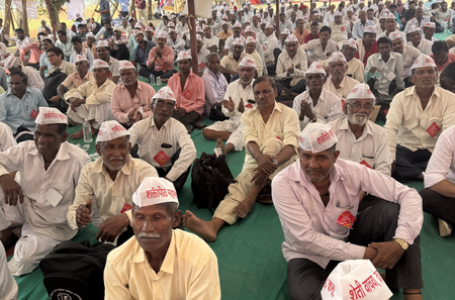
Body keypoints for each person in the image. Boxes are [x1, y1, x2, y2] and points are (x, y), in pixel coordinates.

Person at [272, 122, 424, 300]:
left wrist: (401, 242)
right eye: (306, 156)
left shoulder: (353, 171)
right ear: (298, 153)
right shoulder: (283, 183)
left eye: (321, 157)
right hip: (308, 256)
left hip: (348, 238)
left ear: (335, 156)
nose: (312, 165)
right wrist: (370, 254)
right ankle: (372, 278)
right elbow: (306, 239)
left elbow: (409, 194)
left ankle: (411, 292)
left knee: (393, 212)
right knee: (306, 297)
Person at [184, 76, 299, 242]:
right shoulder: (248, 115)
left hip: (283, 164)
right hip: (256, 162)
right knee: (238, 187)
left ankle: (251, 197)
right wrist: (261, 160)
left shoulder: (289, 114)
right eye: (257, 93)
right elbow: (250, 141)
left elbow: (291, 146)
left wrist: (270, 162)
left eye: (266, 91)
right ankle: (213, 225)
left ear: (275, 92)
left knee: (273, 143)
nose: (261, 96)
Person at [0, 107, 91, 275]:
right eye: (37, 133)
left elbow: (90, 194)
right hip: (27, 207)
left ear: (63, 137)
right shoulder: (26, 149)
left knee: (22, 263)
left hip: (53, 226)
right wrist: (4, 176)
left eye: (49, 135)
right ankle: (8, 231)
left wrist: (82, 211)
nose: (41, 140)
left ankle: (22, 235)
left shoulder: (78, 160)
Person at [104, 177, 221, 299]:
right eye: (139, 217)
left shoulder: (200, 258)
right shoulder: (116, 262)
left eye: (157, 217)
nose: (146, 228)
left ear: (175, 219)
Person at [67, 120, 158, 243]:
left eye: (122, 147)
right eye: (110, 147)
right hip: (108, 237)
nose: (117, 153)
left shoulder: (145, 172)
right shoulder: (89, 172)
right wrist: (78, 216)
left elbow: (158, 207)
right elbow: (75, 208)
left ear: (129, 148)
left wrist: (126, 218)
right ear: (99, 150)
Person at [385, 54, 455, 182]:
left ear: (436, 75)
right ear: (412, 78)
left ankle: (412, 172)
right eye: (420, 72)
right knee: (388, 156)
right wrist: (390, 158)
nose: (426, 76)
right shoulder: (400, 98)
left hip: (435, 151)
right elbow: (390, 129)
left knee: (447, 159)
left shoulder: (450, 99)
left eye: (430, 72)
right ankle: (426, 175)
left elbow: (449, 132)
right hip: (406, 150)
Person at [129, 87, 197, 191]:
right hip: (144, 171)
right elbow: (124, 143)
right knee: (126, 149)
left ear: (173, 109)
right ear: (152, 106)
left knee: (186, 154)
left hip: (168, 173)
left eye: (169, 105)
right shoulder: (140, 126)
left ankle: (167, 191)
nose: (164, 108)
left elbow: (191, 150)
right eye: (160, 103)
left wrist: (168, 179)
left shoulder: (178, 127)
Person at [329, 83, 392, 175]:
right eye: (356, 105)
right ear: (346, 108)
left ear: (371, 110)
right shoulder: (330, 130)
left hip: (367, 186)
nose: (362, 110)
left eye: (367, 106)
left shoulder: (380, 134)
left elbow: (384, 170)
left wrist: (366, 188)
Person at [202, 57, 256, 155]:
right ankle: (238, 136)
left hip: (250, 122)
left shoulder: (258, 87)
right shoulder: (232, 86)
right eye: (242, 70)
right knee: (206, 132)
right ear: (238, 71)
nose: (245, 73)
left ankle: (225, 150)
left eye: (248, 70)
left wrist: (245, 110)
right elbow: (225, 110)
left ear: (254, 72)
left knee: (243, 129)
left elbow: (262, 112)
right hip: (233, 121)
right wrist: (230, 110)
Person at [64, 59, 116, 139]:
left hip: (107, 117)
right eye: (94, 71)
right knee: (75, 94)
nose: (96, 74)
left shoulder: (111, 85)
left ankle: (90, 127)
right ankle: (90, 124)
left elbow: (103, 97)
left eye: (100, 71)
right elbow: (70, 92)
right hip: (94, 113)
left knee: (98, 100)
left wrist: (83, 100)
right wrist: (73, 99)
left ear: (108, 73)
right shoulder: (90, 84)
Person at [293, 62, 343, 130]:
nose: (314, 80)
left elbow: (334, 129)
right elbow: (295, 128)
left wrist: (312, 116)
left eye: (317, 77)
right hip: (304, 138)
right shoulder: (298, 100)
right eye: (310, 78)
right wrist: (301, 116)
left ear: (324, 80)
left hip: (327, 140)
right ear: (306, 82)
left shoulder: (334, 101)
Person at [0, 71, 48, 141]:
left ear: (26, 84)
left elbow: (45, 112)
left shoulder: (36, 94)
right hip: (13, 133)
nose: (14, 86)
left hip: (33, 131)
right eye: (11, 83)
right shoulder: (3, 99)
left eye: (17, 83)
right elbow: (2, 121)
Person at [167, 52, 205, 133]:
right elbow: (169, 98)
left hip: (193, 110)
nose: (182, 65)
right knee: (166, 116)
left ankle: (187, 124)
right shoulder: (171, 80)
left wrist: (186, 110)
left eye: (185, 63)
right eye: (180, 63)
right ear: (177, 64)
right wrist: (175, 109)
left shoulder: (198, 81)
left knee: (173, 121)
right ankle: (191, 124)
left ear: (190, 64)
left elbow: (201, 102)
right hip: (176, 109)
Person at [111, 61, 155, 128]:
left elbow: (155, 110)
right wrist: (127, 117)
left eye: (128, 74)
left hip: (145, 124)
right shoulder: (116, 91)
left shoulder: (148, 89)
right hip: (125, 124)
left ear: (136, 74)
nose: (125, 77)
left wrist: (142, 116)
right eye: (122, 75)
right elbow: (115, 113)